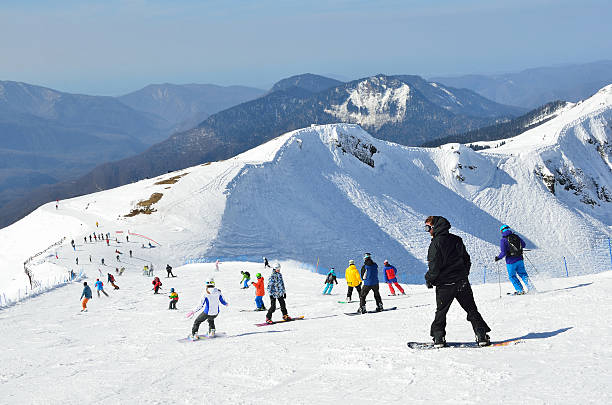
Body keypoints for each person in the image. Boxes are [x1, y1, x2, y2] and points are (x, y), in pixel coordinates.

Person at [424, 216, 491, 347]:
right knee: (471, 309)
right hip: (462, 282)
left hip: (445, 285)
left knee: (441, 311)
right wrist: (463, 274)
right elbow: (466, 260)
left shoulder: (436, 243)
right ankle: (481, 335)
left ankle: (438, 337)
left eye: (428, 228)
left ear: (435, 227)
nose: (427, 231)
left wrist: (429, 279)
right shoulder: (457, 240)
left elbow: (434, 266)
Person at [495, 224, 535, 295]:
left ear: (502, 231)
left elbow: (503, 252)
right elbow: (523, 245)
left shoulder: (503, 240)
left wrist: (498, 257)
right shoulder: (516, 236)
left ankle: (520, 290)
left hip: (511, 262)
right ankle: (531, 288)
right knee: (523, 274)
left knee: (512, 276)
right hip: (520, 259)